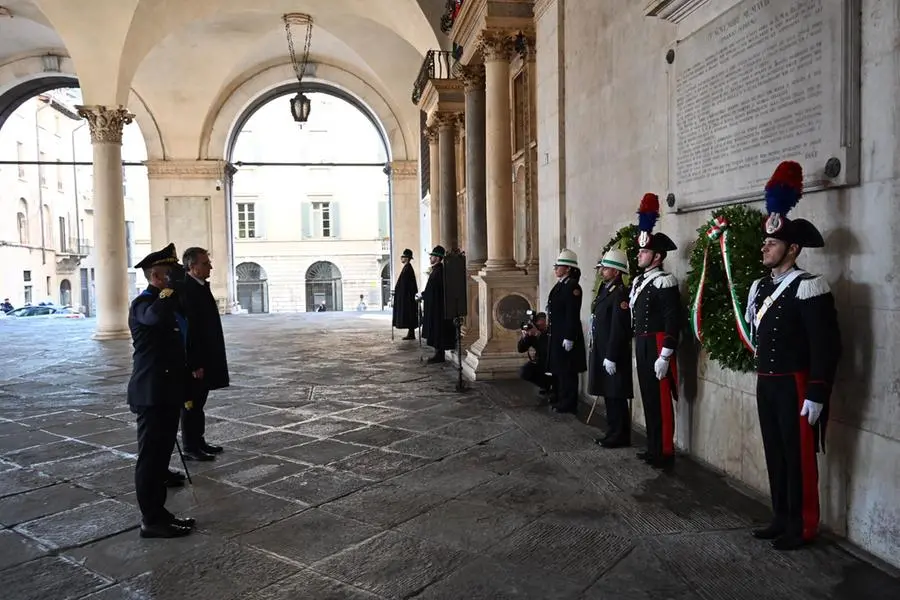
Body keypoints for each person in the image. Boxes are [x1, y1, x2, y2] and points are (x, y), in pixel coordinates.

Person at [745, 161, 842, 551]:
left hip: (796, 384)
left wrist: (818, 391)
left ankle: (802, 525)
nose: (765, 247)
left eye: (773, 243)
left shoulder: (810, 286)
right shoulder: (761, 288)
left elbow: (826, 345)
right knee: (775, 452)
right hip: (767, 383)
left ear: (793, 248)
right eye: (765, 242)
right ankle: (780, 517)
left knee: (799, 457)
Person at [127, 243, 195, 538]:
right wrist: (169, 291)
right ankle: (151, 520)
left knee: (160, 459)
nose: (175, 279)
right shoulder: (144, 303)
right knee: (151, 460)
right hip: (152, 395)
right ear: (156, 277)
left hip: (166, 393)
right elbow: (154, 318)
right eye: (169, 274)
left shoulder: (166, 302)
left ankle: (160, 513)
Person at [630, 193, 680, 468]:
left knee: (660, 400)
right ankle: (652, 446)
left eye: (644, 252)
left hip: (658, 344)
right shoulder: (640, 281)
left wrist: (666, 354)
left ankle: (664, 450)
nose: (639, 255)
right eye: (640, 251)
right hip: (642, 342)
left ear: (657, 256)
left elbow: (673, 319)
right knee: (648, 397)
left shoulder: (664, 281)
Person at [179, 247, 229, 462]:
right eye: (205, 263)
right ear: (193, 267)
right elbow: (190, 332)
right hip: (196, 361)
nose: (210, 266)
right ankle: (190, 446)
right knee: (191, 403)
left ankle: (198, 440)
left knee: (199, 403)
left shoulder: (199, 286)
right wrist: (195, 363)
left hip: (207, 356)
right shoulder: (187, 290)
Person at [588, 248, 634, 448]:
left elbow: (619, 327)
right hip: (603, 350)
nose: (602, 271)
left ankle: (620, 434)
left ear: (616, 272)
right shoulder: (606, 290)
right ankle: (612, 430)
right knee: (609, 394)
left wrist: (612, 355)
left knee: (616, 395)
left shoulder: (620, 294)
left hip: (612, 353)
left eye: (606, 268)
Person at [546, 249, 587, 414]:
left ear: (568, 268)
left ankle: (569, 402)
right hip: (557, 333)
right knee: (560, 369)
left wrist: (569, 336)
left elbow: (572, 313)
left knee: (567, 370)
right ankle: (561, 398)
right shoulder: (561, 284)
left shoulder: (572, 287)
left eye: (559, 266)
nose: (555, 268)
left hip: (566, 335)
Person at [421, 245, 456, 363]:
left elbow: (436, 290)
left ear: (437, 258)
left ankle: (439, 354)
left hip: (438, 308)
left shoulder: (439, 271)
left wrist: (426, 294)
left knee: (438, 331)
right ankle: (438, 353)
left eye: (432, 256)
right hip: (434, 307)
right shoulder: (437, 270)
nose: (430, 258)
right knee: (436, 330)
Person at [517, 311, 554, 400]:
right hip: (540, 361)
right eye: (538, 324)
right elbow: (521, 349)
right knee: (524, 371)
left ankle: (555, 389)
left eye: (542, 323)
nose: (540, 326)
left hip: (553, 362)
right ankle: (545, 385)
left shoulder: (552, 331)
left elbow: (548, 349)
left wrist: (538, 335)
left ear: (546, 322)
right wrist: (525, 337)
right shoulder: (533, 332)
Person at [392, 248, 419, 340]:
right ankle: (411, 333)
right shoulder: (407, 268)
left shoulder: (408, 269)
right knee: (409, 315)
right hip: (406, 297)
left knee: (409, 315)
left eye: (403, 257)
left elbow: (406, 285)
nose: (401, 258)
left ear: (407, 258)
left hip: (407, 298)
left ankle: (411, 334)